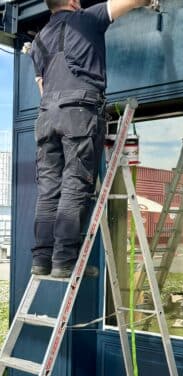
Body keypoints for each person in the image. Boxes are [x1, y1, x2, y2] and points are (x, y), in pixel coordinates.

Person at [29, 0, 152, 278]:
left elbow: (43, 87)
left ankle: (41, 260)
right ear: (72, 1)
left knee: (49, 189)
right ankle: (63, 261)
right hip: (79, 112)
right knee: (75, 184)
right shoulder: (87, 19)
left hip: (47, 115)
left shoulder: (38, 41)